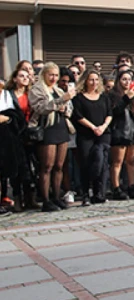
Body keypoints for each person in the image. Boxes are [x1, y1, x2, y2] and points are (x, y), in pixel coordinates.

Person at [30, 62, 75, 211]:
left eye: (56, 75)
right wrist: (60, 101)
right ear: (44, 74)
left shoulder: (58, 90)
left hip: (61, 127)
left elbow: (68, 108)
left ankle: (57, 196)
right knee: (47, 166)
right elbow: (41, 107)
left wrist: (65, 107)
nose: (54, 78)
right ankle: (46, 199)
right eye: (51, 75)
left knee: (59, 166)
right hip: (47, 129)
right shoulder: (37, 89)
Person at [72, 70, 113, 204]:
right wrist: (93, 127)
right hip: (86, 135)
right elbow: (78, 116)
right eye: (91, 79)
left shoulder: (104, 97)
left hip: (103, 134)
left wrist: (102, 126)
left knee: (102, 163)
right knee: (86, 163)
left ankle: (99, 193)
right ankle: (85, 194)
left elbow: (109, 113)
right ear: (85, 81)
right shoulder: (79, 98)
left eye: (96, 79)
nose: (94, 82)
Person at [0, 69, 36, 213]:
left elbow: (17, 116)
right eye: (21, 76)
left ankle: (29, 199)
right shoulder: (10, 94)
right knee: (10, 171)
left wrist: (8, 118)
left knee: (26, 169)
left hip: (21, 135)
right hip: (10, 137)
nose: (25, 78)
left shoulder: (28, 94)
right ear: (14, 79)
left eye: (27, 76)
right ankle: (15, 199)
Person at [109, 70, 134, 200]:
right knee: (117, 162)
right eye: (124, 79)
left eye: (129, 79)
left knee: (131, 161)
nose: (127, 82)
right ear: (118, 81)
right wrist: (126, 98)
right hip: (120, 131)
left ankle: (131, 186)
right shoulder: (113, 95)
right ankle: (116, 188)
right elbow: (115, 111)